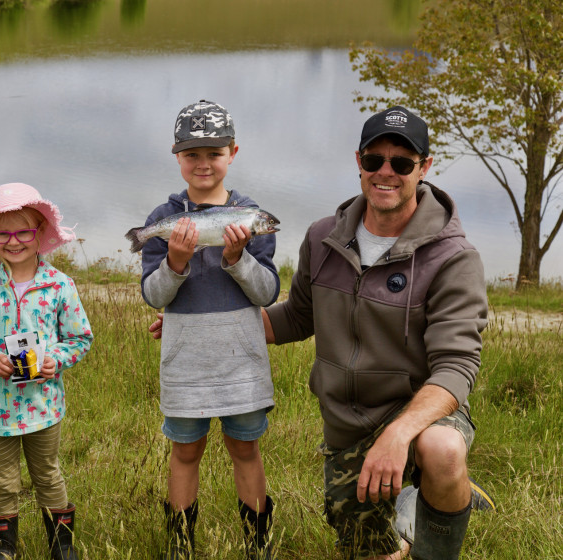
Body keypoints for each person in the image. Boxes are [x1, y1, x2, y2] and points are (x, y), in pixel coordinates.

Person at [150, 106, 492, 559]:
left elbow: (457, 366)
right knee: (376, 554)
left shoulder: (454, 257)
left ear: (424, 168)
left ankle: (436, 522)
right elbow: (298, 315)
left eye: (402, 163)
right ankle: (411, 506)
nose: (385, 172)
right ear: (359, 162)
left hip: (420, 414)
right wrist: (214, 326)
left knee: (442, 449)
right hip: (350, 426)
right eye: (374, 161)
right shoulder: (324, 237)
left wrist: (399, 436)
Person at [138, 100, 281, 559]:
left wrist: (237, 260)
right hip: (185, 365)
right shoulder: (164, 216)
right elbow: (155, 297)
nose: (203, 163)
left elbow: (267, 293)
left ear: (232, 153)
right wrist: (175, 261)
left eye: (214, 153)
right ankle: (180, 547)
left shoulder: (251, 215)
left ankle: (258, 544)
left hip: (242, 364)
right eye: (192, 154)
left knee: (245, 451)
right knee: (184, 455)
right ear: (177, 157)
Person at [0, 183, 93, 560]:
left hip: (43, 405)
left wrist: (55, 360)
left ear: (40, 233)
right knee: (2, 481)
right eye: (2, 233)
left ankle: (62, 547)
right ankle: (4, 550)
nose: (14, 242)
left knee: (47, 474)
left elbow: (80, 339)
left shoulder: (60, 286)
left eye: (23, 231)